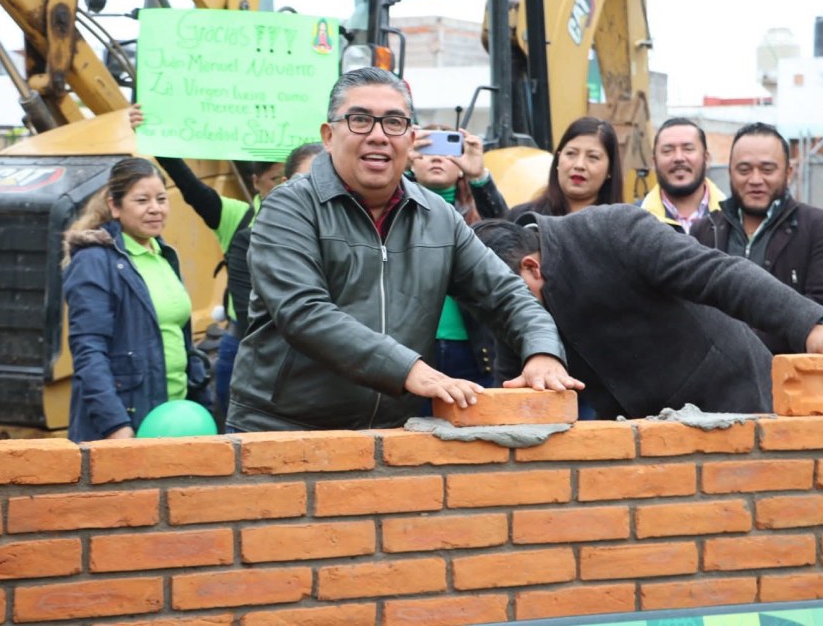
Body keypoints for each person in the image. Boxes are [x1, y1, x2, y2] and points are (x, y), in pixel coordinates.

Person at [225, 67, 582, 432]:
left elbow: (505, 294)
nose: (378, 136)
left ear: (411, 140)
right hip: (282, 429)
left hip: (391, 434)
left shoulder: (439, 217)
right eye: (360, 119)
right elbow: (302, 310)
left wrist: (542, 352)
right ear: (329, 136)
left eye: (394, 122)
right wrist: (407, 368)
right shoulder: (289, 207)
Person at [475, 209, 823, 421]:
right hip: (645, 434)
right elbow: (513, 389)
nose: (511, 316)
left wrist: (812, 327)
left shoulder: (611, 231)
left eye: (512, 302)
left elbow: (721, 275)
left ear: (531, 267)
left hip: (732, 400)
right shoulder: (509, 301)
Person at [129, 104, 307, 426]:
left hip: (300, 352)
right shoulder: (237, 217)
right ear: (255, 182)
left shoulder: (320, 220)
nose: (283, 187)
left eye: (289, 178)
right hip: (241, 348)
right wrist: (155, 135)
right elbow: (191, 188)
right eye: (274, 179)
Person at [63, 158, 210, 442]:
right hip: (127, 424)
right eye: (142, 200)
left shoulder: (164, 255)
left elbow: (180, 340)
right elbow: (89, 350)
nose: (155, 208)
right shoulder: (94, 260)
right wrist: (115, 425)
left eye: (162, 199)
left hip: (174, 420)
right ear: (115, 206)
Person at [690, 122, 823, 353]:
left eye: (767, 169)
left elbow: (820, 311)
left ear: (789, 172)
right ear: (730, 172)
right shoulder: (705, 230)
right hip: (716, 378)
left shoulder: (821, 228)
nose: (755, 180)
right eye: (744, 170)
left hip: (788, 376)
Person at [410, 125, 508, 386]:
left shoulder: (476, 212)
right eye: (425, 148)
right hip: (411, 353)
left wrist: (479, 176)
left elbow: (507, 237)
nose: (437, 156)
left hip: (474, 351)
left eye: (447, 148)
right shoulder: (396, 209)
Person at [505, 116, 622, 219]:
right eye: (571, 154)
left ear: (610, 169)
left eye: (593, 157)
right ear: (558, 159)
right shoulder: (524, 218)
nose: (579, 165)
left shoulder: (623, 228)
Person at [641, 117, 726, 232]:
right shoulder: (635, 220)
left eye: (688, 149)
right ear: (654, 162)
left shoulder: (734, 218)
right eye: (667, 151)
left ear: (706, 159)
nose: (678, 158)